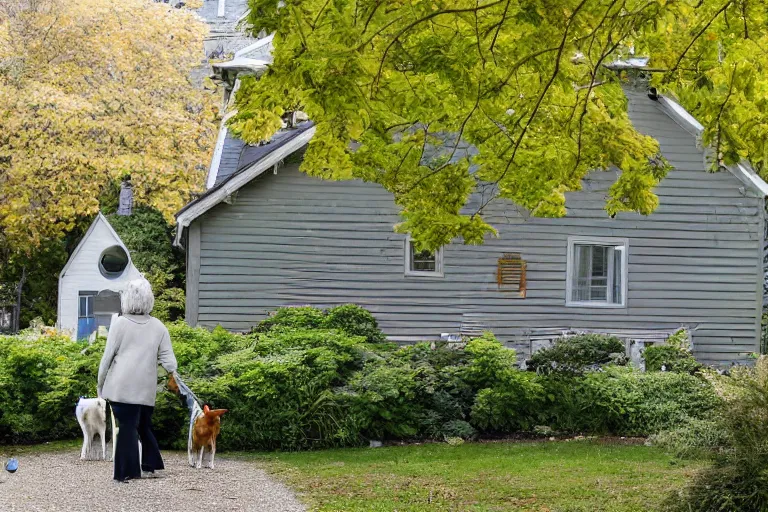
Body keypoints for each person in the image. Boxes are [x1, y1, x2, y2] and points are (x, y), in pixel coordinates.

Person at [97, 278, 178, 482]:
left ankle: (126, 472)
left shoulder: (120, 323)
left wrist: (100, 385)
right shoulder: (159, 327)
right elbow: (169, 360)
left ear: (128, 299)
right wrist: (173, 375)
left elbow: (107, 358)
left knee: (127, 428)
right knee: (143, 424)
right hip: (145, 389)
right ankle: (151, 464)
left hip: (120, 388)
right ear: (149, 298)